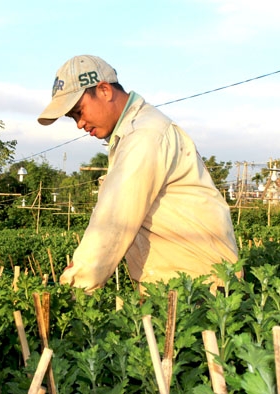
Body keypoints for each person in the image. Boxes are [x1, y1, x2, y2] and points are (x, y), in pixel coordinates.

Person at [38, 55, 238, 293]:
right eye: (72, 118)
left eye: (79, 111)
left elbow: (114, 221)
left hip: (196, 289)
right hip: (181, 284)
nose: (79, 124)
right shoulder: (134, 132)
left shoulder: (144, 136)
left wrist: (74, 287)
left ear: (104, 90)